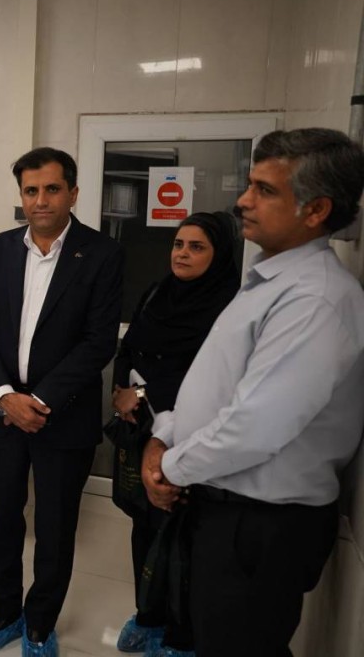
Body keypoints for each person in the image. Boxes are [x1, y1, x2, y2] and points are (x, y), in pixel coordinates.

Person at [142, 128, 364, 657]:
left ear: (316, 210)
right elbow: (218, 385)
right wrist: (164, 435)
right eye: (249, 185)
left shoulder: (315, 300)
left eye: (265, 190)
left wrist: (170, 467)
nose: (243, 201)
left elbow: (254, 427)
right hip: (228, 506)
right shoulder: (269, 281)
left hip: (261, 522)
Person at [0, 147, 123, 657]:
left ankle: (39, 624)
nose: (40, 200)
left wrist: (39, 399)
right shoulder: (0, 249)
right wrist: (4, 396)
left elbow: (99, 342)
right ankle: (1, 613)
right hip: (3, 413)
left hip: (63, 416)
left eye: (52, 189)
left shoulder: (101, 254)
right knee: (2, 519)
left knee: (54, 528)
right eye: (31, 190)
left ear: (73, 193)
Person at [111, 212, 239, 657]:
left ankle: (183, 637)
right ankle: (148, 613)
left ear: (219, 255)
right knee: (144, 524)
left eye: (196, 247)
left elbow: (207, 377)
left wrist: (144, 392)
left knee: (185, 536)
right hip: (141, 428)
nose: (182, 254)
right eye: (179, 244)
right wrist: (121, 392)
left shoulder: (229, 309)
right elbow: (129, 349)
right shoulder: (156, 293)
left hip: (193, 436)